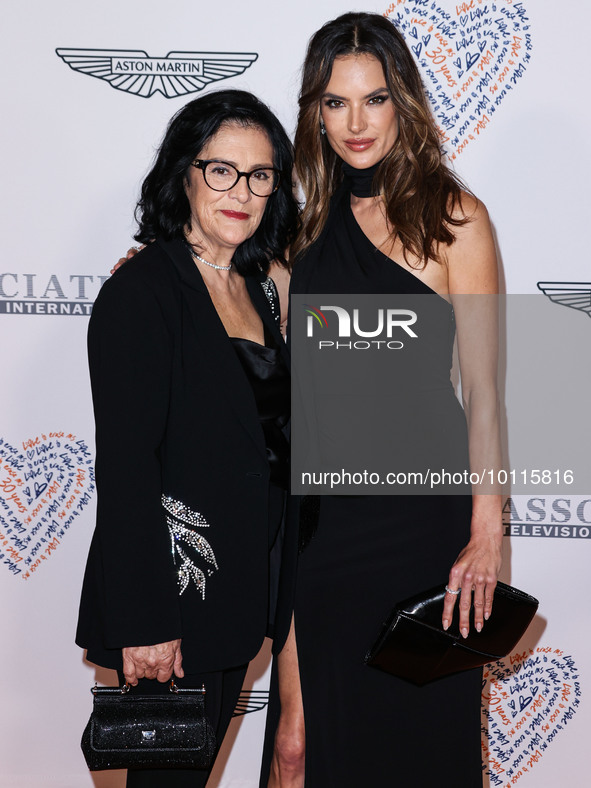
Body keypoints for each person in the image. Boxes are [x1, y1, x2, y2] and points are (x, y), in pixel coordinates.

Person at [266, 12, 503, 787]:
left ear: (402, 102)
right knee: (303, 753)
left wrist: (487, 531)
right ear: (314, 112)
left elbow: (487, 391)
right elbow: (237, 300)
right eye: (335, 103)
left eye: (373, 99)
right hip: (324, 536)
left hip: (423, 534)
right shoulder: (304, 232)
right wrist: (166, 266)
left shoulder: (454, 221)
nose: (355, 122)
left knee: (421, 749)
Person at [75, 89, 299, 788]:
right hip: (174, 594)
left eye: (260, 175)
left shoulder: (262, 288)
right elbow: (125, 466)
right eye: (221, 170)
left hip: (241, 594)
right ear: (184, 174)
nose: (242, 191)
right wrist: (143, 622)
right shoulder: (141, 293)